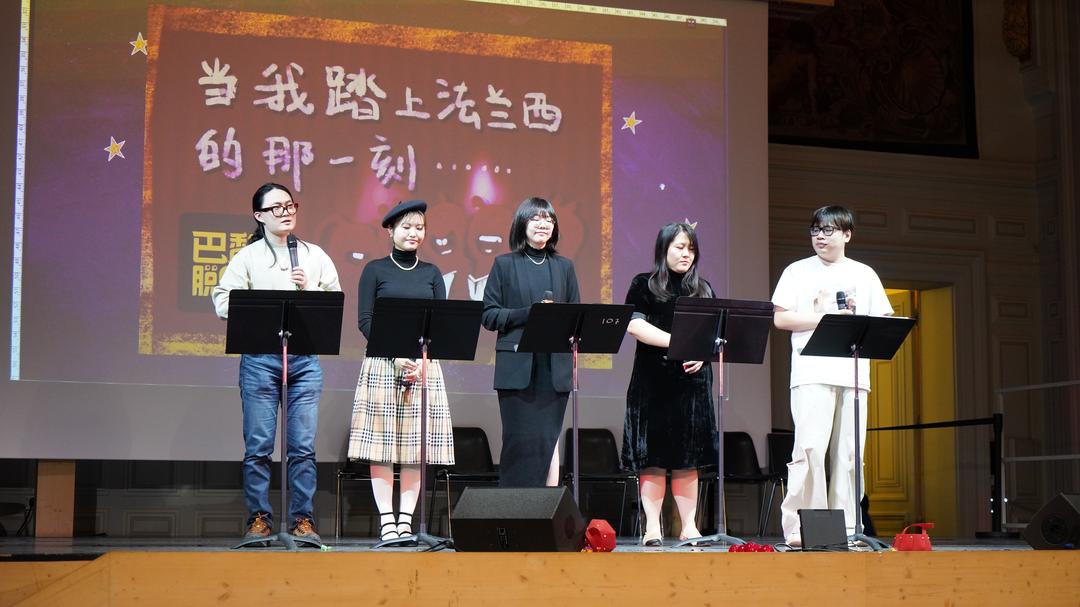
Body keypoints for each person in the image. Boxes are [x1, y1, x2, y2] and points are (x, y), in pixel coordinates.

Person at [211, 182, 341, 545]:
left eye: (289, 205)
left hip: (304, 360)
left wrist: (310, 290)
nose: (286, 212)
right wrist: (256, 306)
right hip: (260, 359)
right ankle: (259, 519)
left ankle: (303, 521)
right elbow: (222, 300)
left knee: (303, 447)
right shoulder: (248, 257)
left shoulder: (314, 255)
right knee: (258, 446)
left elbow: (334, 304)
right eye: (276, 208)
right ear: (259, 216)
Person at [771, 205, 892, 546]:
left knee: (850, 455)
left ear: (847, 234)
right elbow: (781, 318)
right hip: (811, 372)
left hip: (853, 375)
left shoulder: (864, 274)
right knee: (809, 449)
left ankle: (850, 527)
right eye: (815, 231)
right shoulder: (797, 271)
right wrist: (826, 319)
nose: (820, 237)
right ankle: (802, 529)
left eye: (828, 230)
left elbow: (881, 320)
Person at [348, 200, 454, 543]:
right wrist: (394, 355)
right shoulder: (374, 270)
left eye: (419, 227)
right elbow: (365, 320)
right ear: (390, 231)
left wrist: (423, 360)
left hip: (423, 365)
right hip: (383, 362)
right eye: (406, 227)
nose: (414, 233)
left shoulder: (432, 273)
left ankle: (406, 521)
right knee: (382, 446)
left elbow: (440, 323)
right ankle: (387, 521)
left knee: (415, 447)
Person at [621, 222, 718, 546]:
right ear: (664, 249)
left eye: (691, 248)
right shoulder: (644, 284)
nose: (686, 254)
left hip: (692, 385)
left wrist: (702, 353)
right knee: (652, 458)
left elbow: (715, 335)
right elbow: (635, 326)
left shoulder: (703, 289)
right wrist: (680, 343)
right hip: (653, 383)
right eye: (679, 247)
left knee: (688, 458)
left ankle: (689, 525)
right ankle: (652, 527)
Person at [482, 197, 580, 487]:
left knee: (547, 442)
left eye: (548, 219)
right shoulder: (504, 264)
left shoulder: (564, 267)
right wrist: (530, 313)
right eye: (535, 218)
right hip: (517, 369)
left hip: (555, 370)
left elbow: (576, 316)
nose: (543, 224)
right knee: (518, 443)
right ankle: (514, 508)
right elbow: (489, 315)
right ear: (522, 224)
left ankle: (544, 508)